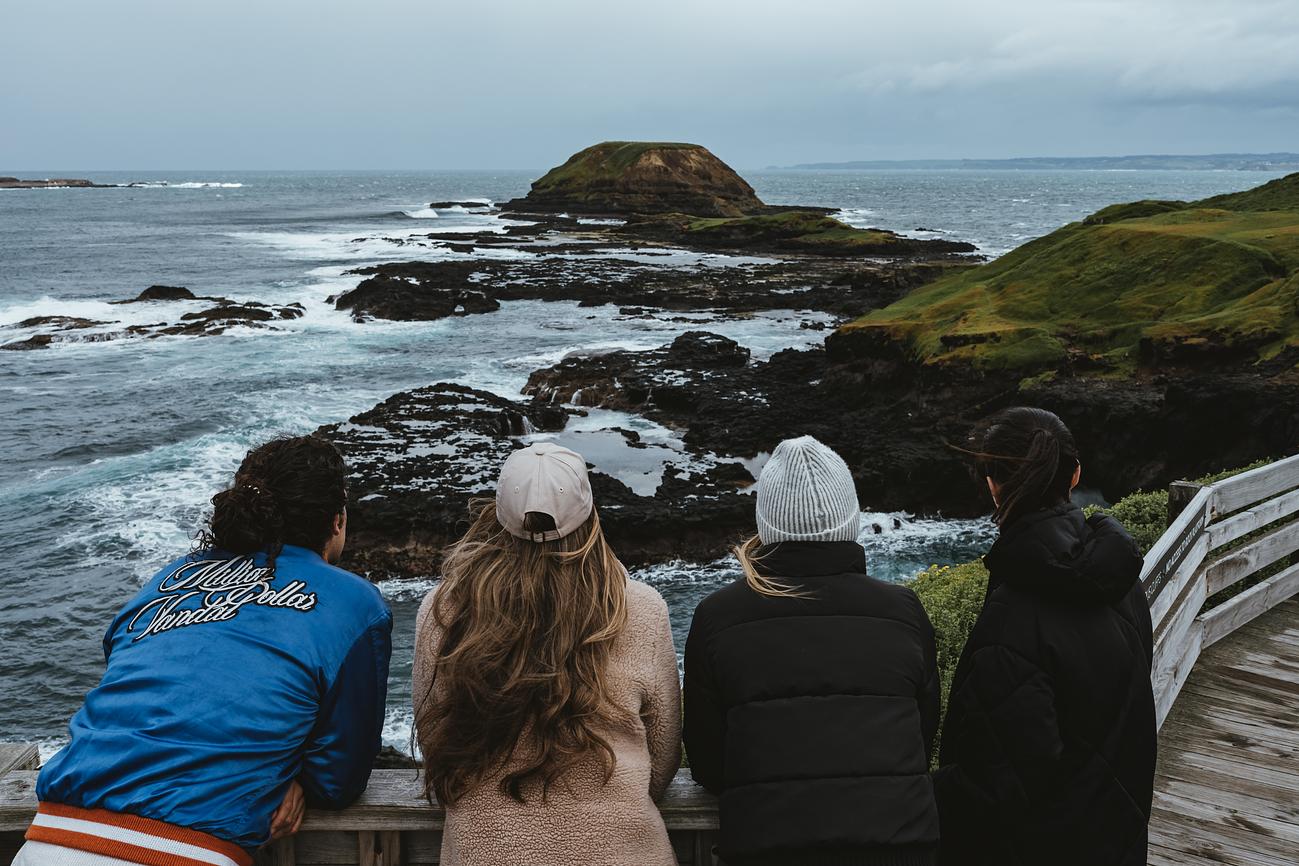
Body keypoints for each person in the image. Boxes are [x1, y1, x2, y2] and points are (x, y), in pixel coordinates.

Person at [17, 435, 392, 866]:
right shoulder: (354, 603)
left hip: (48, 837)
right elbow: (339, 780)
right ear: (337, 520)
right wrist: (293, 779)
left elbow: (144, 693)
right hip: (179, 850)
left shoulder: (167, 579)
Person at [412, 442, 681, 866]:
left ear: (498, 514)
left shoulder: (444, 609)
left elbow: (433, 738)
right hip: (619, 851)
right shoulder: (641, 609)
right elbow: (663, 753)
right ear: (590, 516)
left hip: (488, 852)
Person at [684, 435, 942, 866]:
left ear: (767, 521)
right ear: (850, 517)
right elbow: (922, 732)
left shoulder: (717, 616)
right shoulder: (903, 610)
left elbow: (708, 762)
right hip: (900, 844)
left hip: (768, 847)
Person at [934, 407, 1155, 866]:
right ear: (1075, 475)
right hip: (1117, 834)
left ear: (993, 486)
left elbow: (996, 786)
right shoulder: (1122, 579)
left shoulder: (1013, 619)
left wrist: (908, 790)